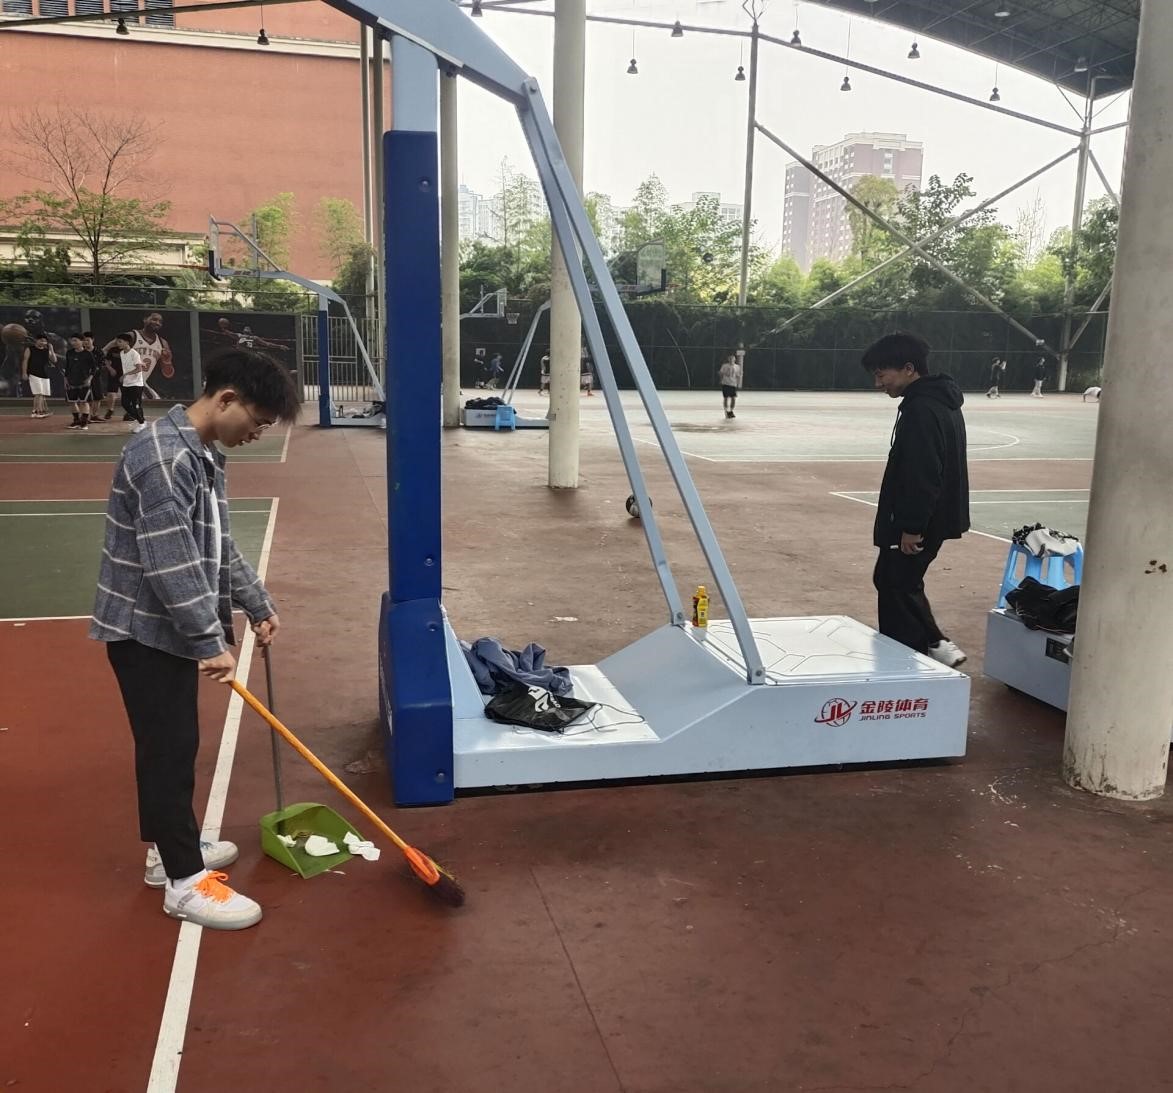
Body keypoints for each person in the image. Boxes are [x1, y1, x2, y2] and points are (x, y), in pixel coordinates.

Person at [90, 347, 301, 930]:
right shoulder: (163, 459)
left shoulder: (202, 453)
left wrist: (256, 601)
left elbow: (215, 541)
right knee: (168, 751)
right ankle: (183, 882)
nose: (256, 433)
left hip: (165, 629)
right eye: (257, 421)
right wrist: (210, 641)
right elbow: (171, 562)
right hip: (144, 630)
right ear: (227, 399)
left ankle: (168, 849)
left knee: (174, 747)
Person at [862, 332, 970, 667]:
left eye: (882, 374)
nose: (878, 383)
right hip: (933, 515)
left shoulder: (922, 409)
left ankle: (912, 654)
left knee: (897, 581)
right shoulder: (936, 402)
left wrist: (912, 527)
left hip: (921, 520)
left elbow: (922, 473)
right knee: (894, 579)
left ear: (909, 369)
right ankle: (932, 643)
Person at [114, 333, 147, 433]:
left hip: (136, 384)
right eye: (117, 341)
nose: (118, 343)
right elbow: (136, 363)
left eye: (120, 341)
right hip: (127, 383)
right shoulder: (122, 353)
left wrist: (125, 375)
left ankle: (142, 424)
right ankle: (141, 419)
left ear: (127, 342)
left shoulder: (134, 353)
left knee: (136, 405)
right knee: (125, 404)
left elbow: (139, 369)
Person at [62, 334, 93, 430]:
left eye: (75, 340)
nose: (73, 343)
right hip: (71, 381)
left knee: (84, 402)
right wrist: (65, 379)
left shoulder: (87, 354)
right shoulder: (69, 353)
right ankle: (76, 421)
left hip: (84, 382)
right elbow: (67, 367)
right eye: (72, 340)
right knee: (72, 402)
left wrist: (89, 379)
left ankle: (84, 423)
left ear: (82, 341)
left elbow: (94, 368)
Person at [21, 334, 56, 419]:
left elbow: (54, 360)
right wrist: (24, 373)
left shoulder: (47, 350)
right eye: (41, 340)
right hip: (33, 374)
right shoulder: (30, 349)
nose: (42, 342)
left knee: (42, 394)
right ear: (36, 340)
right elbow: (25, 361)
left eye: (44, 341)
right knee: (38, 393)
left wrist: (51, 349)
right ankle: (38, 411)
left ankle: (36, 411)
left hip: (45, 374)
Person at [718, 353, 743, 419]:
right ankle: (726, 411)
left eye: (733, 359)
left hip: (733, 384)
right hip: (726, 383)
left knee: (733, 398)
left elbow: (738, 376)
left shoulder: (737, 367)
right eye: (730, 359)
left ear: (734, 360)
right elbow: (721, 373)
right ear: (728, 359)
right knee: (726, 398)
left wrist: (738, 383)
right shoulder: (724, 366)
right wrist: (721, 380)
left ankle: (731, 411)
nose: (731, 360)